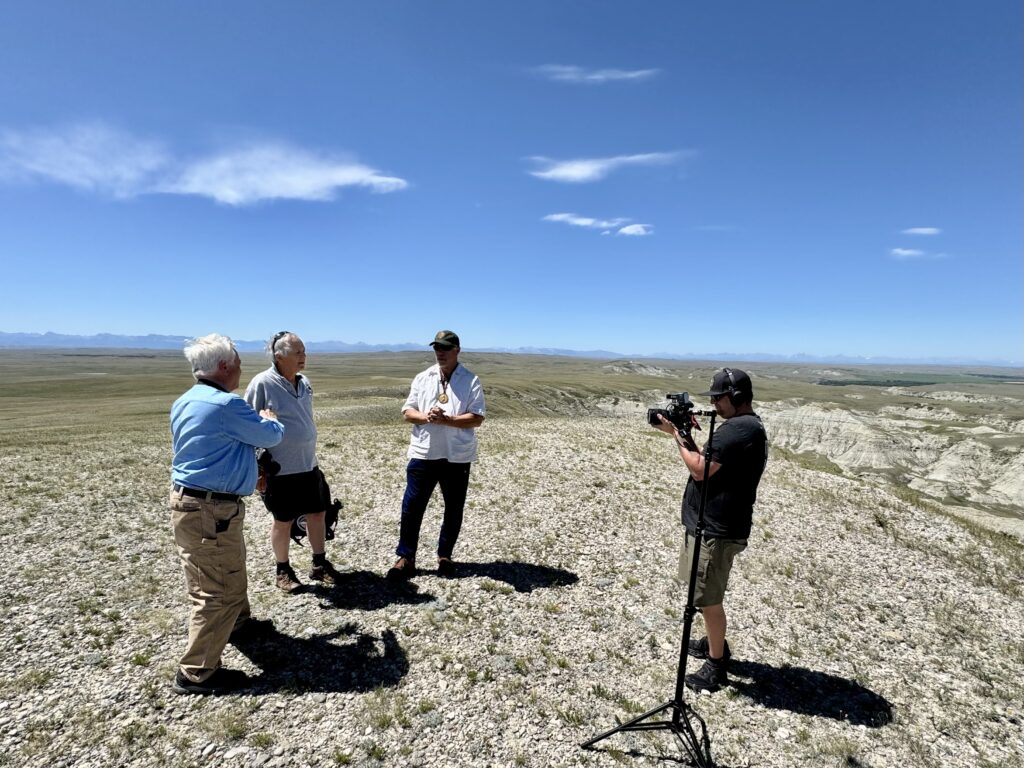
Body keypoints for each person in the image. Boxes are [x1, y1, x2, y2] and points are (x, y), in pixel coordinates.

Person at [169, 334, 284, 695]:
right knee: (214, 588)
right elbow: (270, 435)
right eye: (236, 361)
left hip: (197, 505)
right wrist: (270, 418)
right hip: (210, 508)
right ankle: (196, 672)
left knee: (225, 568)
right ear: (223, 367)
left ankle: (237, 624)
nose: (240, 368)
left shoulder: (186, 400)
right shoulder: (225, 404)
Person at [654, 367, 768, 693]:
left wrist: (676, 435)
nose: (715, 404)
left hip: (717, 530)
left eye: (718, 398)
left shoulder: (739, 430)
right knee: (700, 591)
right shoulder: (741, 427)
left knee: (708, 598)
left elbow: (700, 469)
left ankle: (716, 665)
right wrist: (685, 434)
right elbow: (710, 461)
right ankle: (712, 642)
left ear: (735, 398)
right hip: (710, 523)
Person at [244, 331, 342, 592]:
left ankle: (319, 564)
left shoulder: (304, 382)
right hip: (280, 468)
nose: (303, 357)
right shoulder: (262, 383)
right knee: (283, 520)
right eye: (297, 352)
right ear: (279, 356)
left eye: (304, 351)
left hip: (308, 463)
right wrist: (256, 466)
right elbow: (248, 425)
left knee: (318, 513)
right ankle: (283, 570)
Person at [387, 330, 486, 580]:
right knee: (412, 506)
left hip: (456, 456)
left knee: (453, 508)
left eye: (445, 347)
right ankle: (406, 557)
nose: (439, 352)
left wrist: (448, 420)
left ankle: (445, 556)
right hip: (424, 453)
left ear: (457, 350)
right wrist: (426, 417)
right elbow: (408, 412)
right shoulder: (423, 378)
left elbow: (477, 418)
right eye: (436, 348)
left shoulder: (470, 380)